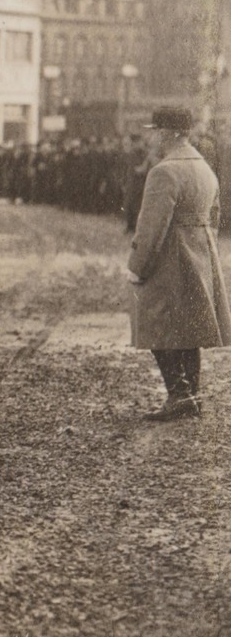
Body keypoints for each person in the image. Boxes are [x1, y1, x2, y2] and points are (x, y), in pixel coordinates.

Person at [126, 107, 230, 420]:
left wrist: (137, 265)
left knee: (156, 320)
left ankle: (179, 394)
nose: (151, 136)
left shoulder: (164, 171)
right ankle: (191, 394)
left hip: (169, 256)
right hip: (199, 253)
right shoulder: (203, 167)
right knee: (189, 325)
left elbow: (151, 227)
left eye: (156, 130)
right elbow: (215, 216)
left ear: (170, 133)